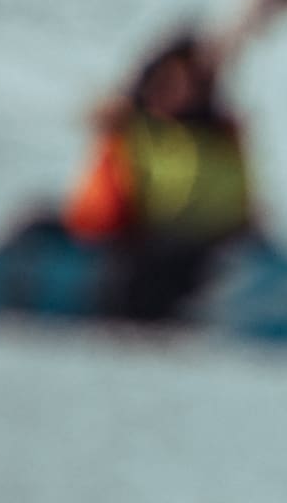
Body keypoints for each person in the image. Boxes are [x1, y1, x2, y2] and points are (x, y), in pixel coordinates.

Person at [17, 32, 261, 324]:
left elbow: (217, 204)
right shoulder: (130, 128)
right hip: (117, 232)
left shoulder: (215, 139)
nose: (176, 92)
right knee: (33, 227)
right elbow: (100, 196)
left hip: (178, 244)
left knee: (149, 271)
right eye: (168, 80)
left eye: (187, 83)